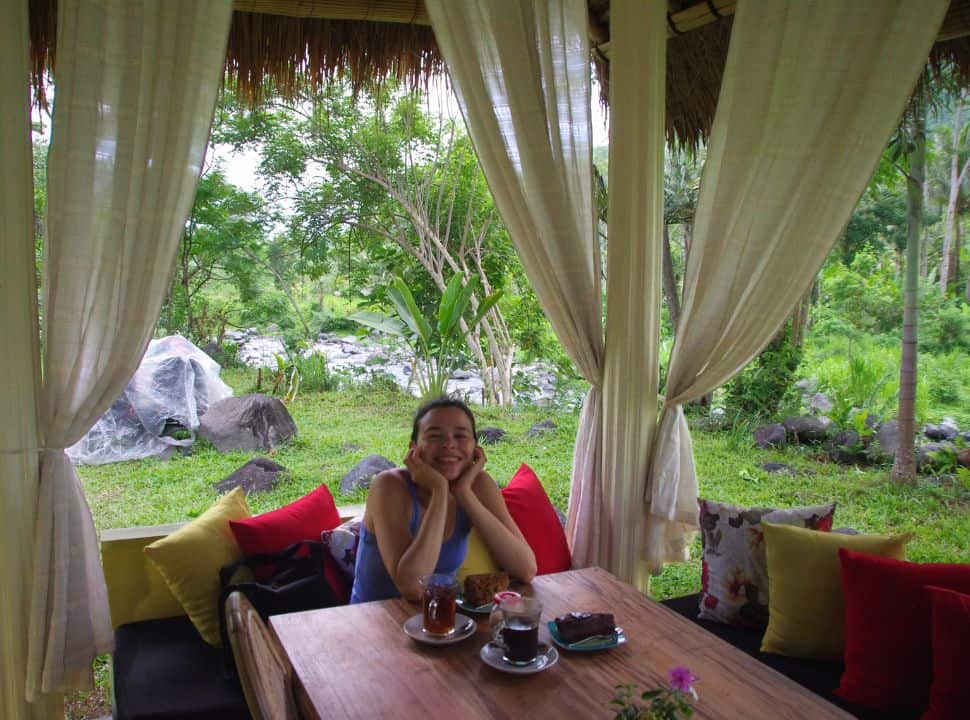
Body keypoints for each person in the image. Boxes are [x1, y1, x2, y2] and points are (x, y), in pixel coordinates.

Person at [350, 397, 537, 603]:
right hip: (373, 622)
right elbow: (413, 588)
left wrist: (464, 493)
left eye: (460, 435)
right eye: (435, 436)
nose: (449, 444)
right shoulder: (389, 486)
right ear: (414, 449)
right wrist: (439, 491)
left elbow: (526, 569)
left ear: (475, 447)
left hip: (442, 621)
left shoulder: (478, 485)